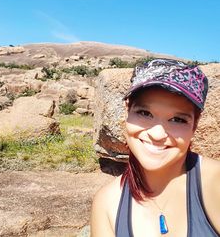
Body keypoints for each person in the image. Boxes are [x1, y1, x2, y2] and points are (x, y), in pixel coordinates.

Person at [90, 58, 220, 236]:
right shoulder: (107, 203)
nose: (157, 135)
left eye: (178, 119)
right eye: (144, 113)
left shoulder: (215, 182)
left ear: (195, 125)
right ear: (127, 112)